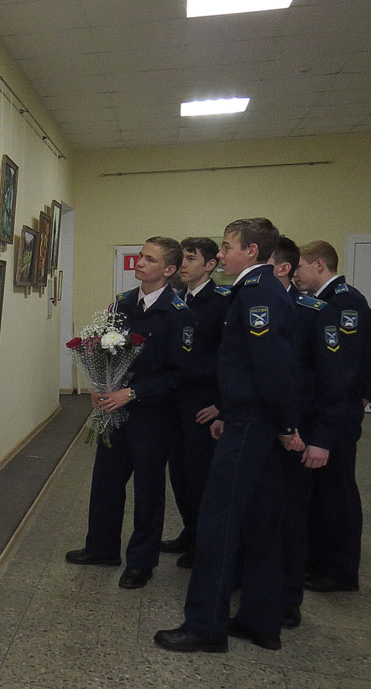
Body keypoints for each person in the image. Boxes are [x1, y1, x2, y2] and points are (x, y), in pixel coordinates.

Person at [155, 218, 302, 654]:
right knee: (261, 522)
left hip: (252, 425)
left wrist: (285, 426)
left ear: (252, 251)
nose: (221, 255)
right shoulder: (259, 289)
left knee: (217, 524)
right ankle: (260, 620)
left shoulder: (257, 292)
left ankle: (205, 626)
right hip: (253, 419)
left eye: (227, 246)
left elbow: (272, 367)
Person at [65, 237, 195, 590]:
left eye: (149, 259)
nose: (140, 263)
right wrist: (101, 385)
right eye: (140, 256)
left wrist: (133, 392)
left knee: (148, 490)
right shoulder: (123, 304)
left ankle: (141, 562)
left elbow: (178, 374)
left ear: (169, 270)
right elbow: (108, 351)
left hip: (153, 414)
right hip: (115, 408)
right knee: (105, 480)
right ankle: (101, 547)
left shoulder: (178, 314)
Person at [270, 237, 344, 628]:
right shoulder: (252, 308)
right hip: (260, 432)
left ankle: (286, 600)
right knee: (258, 515)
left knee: (291, 518)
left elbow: (333, 384)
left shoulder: (315, 312)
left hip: (301, 433)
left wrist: (322, 439)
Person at [293, 240, 371, 593]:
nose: (296, 274)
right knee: (320, 492)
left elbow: (345, 367)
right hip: (324, 409)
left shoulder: (345, 302)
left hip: (337, 412)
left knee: (336, 491)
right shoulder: (320, 301)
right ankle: (318, 559)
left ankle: (340, 570)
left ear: (319, 265)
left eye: (300, 267)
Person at [162, 237, 231, 568]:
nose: (184, 264)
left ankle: (205, 542)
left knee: (200, 476)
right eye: (182, 258)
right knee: (179, 473)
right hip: (177, 399)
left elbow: (231, 359)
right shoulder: (178, 300)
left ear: (210, 265)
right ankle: (190, 531)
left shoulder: (221, 302)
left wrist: (222, 404)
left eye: (191, 258)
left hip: (205, 402)